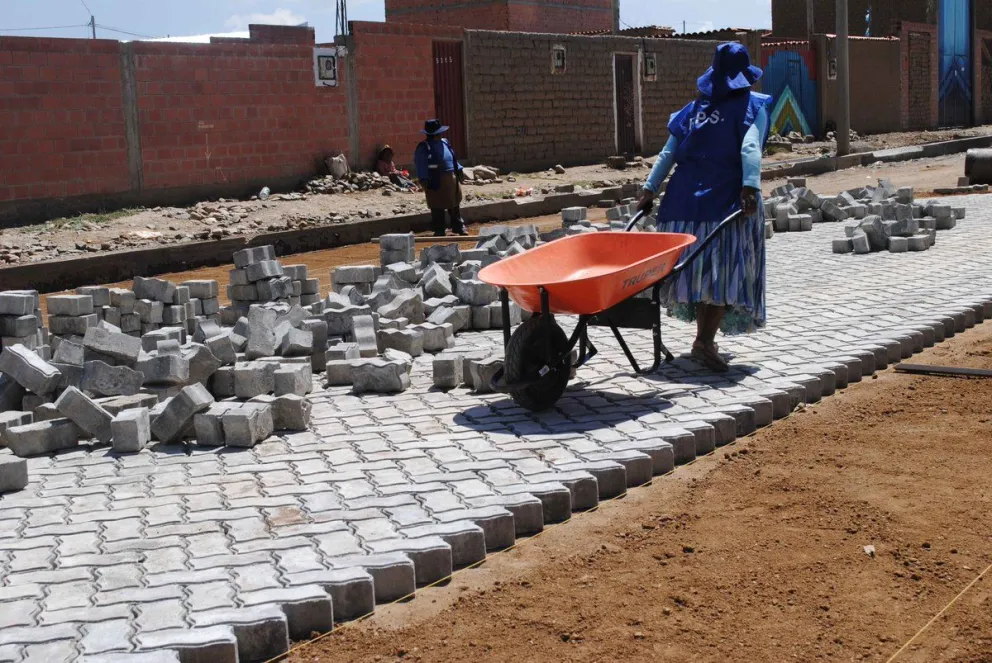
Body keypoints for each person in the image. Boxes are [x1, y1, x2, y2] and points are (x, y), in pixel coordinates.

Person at [637, 42, 771, 373]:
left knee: (696, 273)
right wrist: (751, 188)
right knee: (722, 273)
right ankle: (704, 342)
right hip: (724, 202)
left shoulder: (693, 109)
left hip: (680, 205)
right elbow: (750, 147)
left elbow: (668, 153)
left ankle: (704, 338)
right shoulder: (752, 106)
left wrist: (648, 189)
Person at [415, 119, 468, 237]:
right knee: (437, 206)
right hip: (435, 180)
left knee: (454, 204)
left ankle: (459, 227)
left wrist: (458, 169)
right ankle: (439, 229)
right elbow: (421, 164)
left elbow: (453, 158)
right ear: (435, 134)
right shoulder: (424, 147)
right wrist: (424, 179)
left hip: (451, 178)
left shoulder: (445, 142)